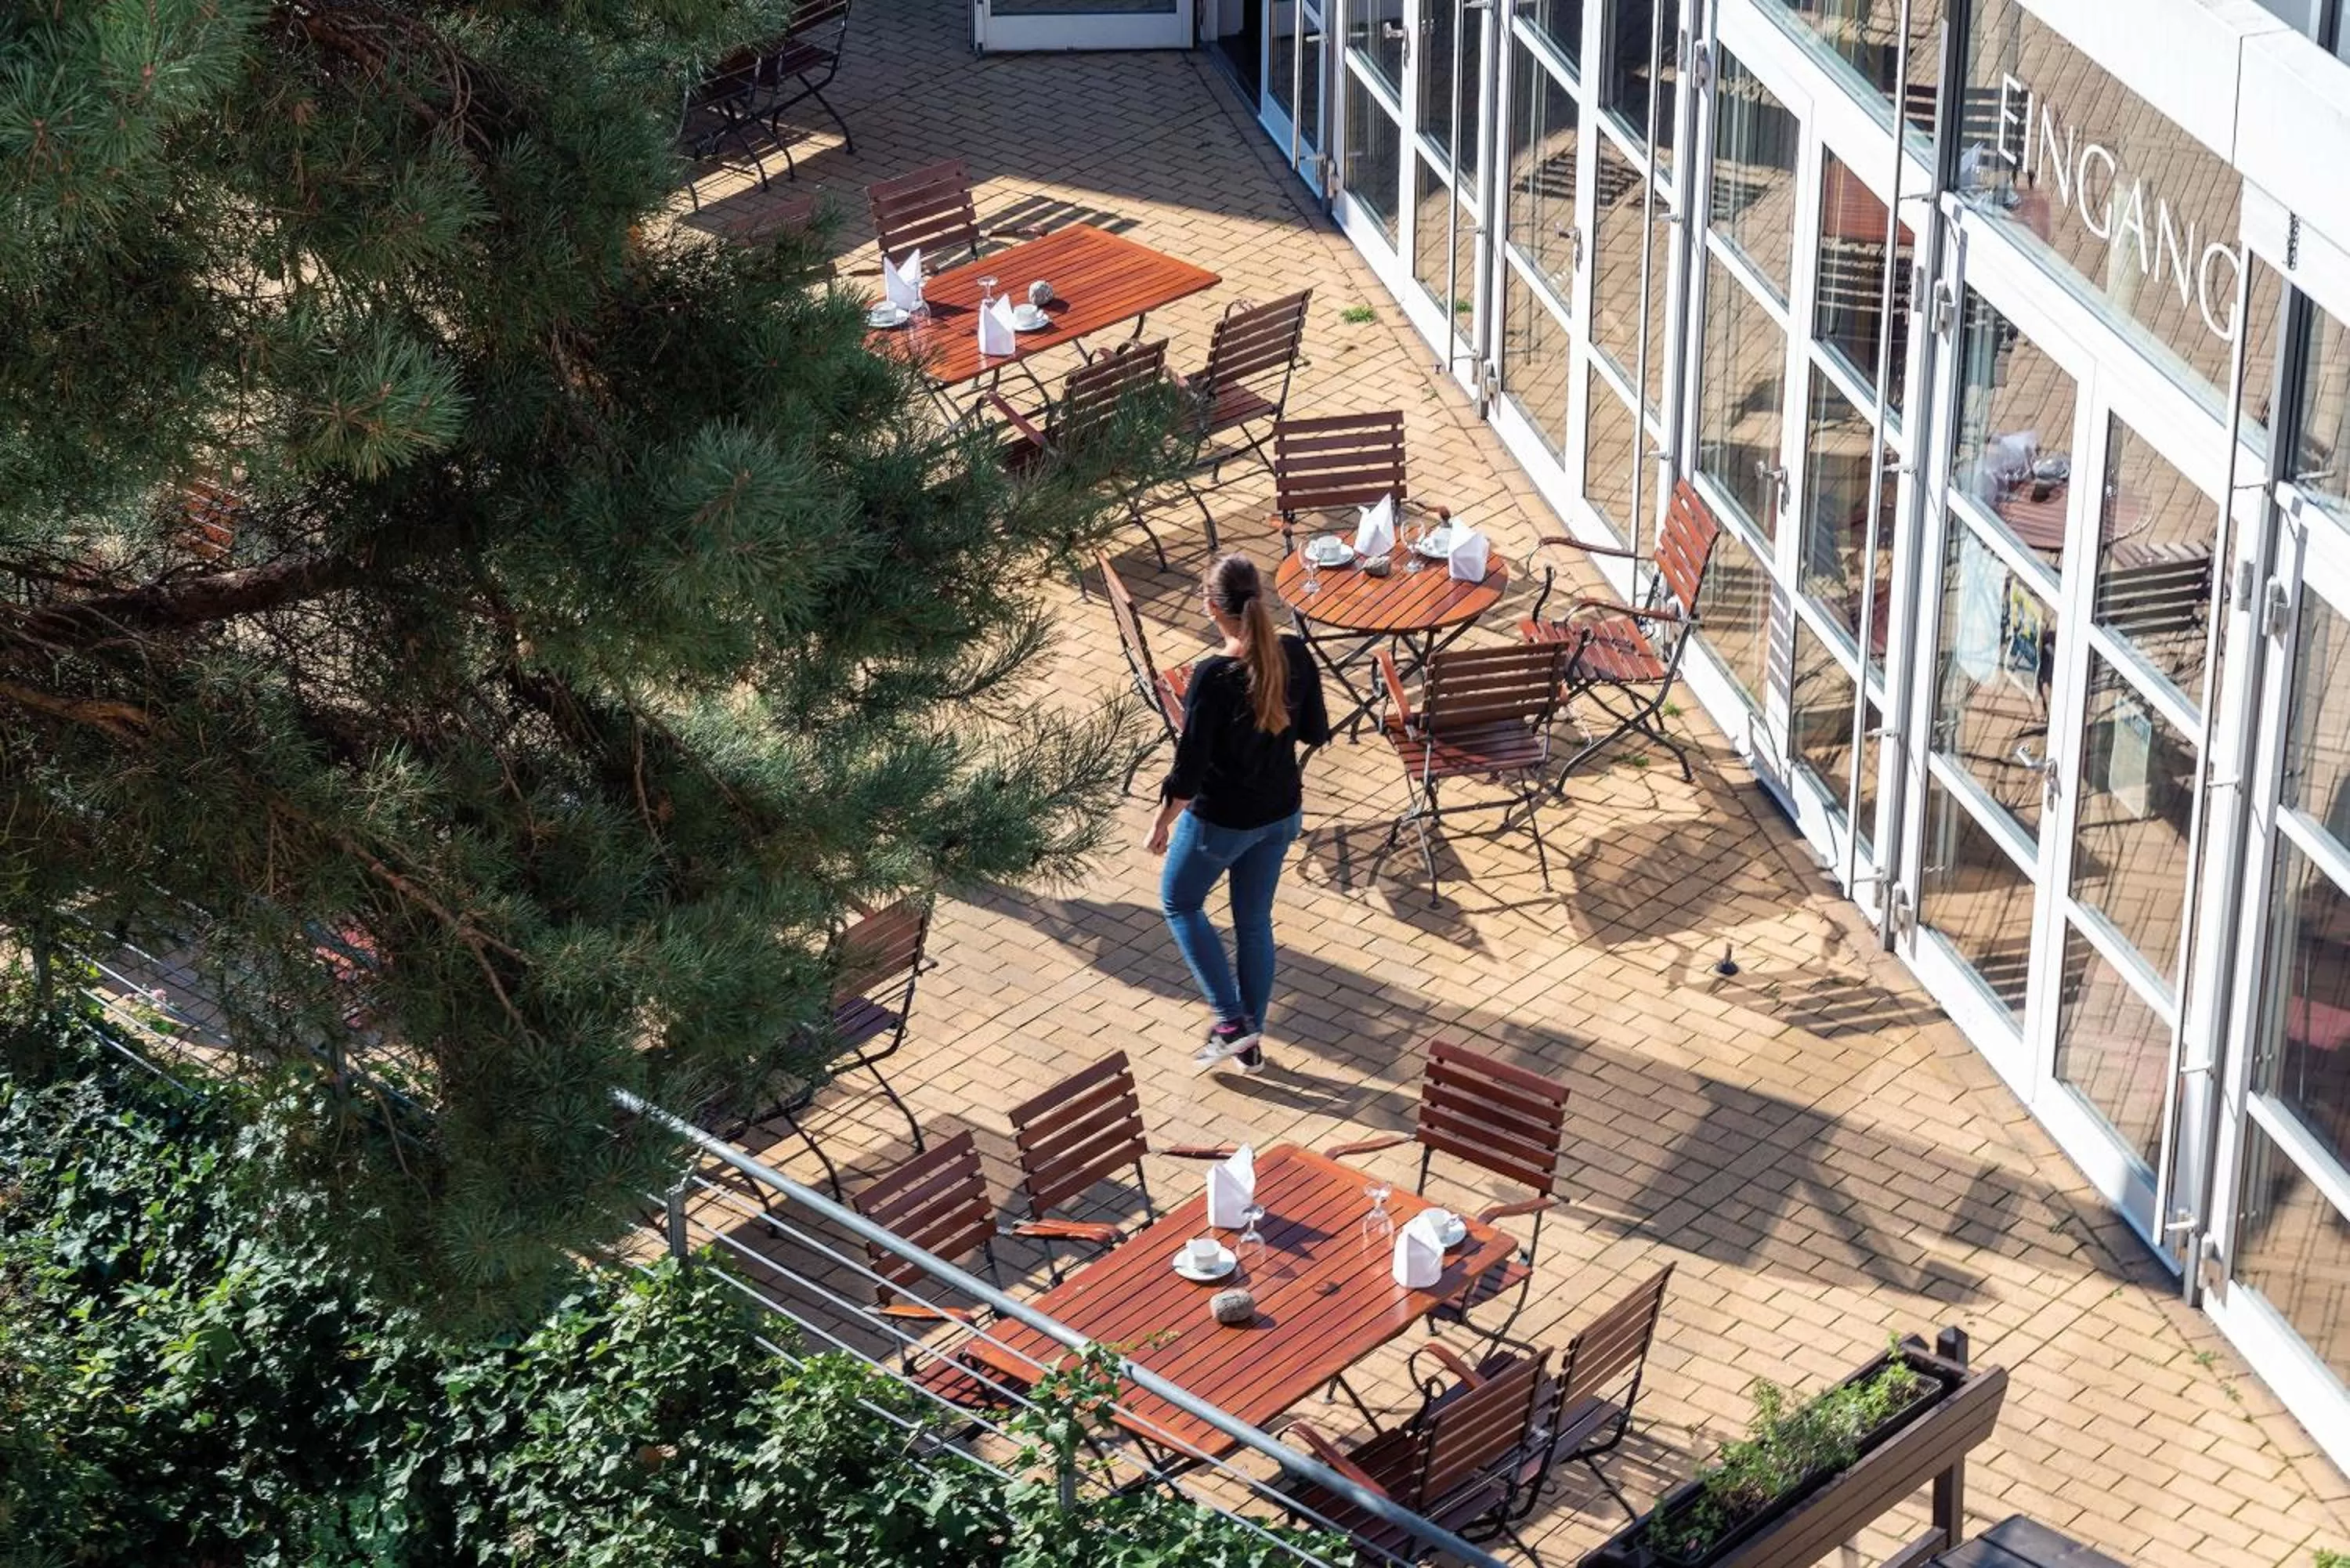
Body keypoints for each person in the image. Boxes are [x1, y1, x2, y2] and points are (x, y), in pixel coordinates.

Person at [1148, 553, 1329, 1073]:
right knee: (1253, 923)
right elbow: (1316, 731)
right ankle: (1249, 1042)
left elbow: (1190, 769)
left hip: (1222, 822)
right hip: (1280, 814)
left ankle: (1230, 1022)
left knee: (1180, 903)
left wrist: (1162, 822)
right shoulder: (1294, 653)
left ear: (1210, 605)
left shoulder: (1212, 675)